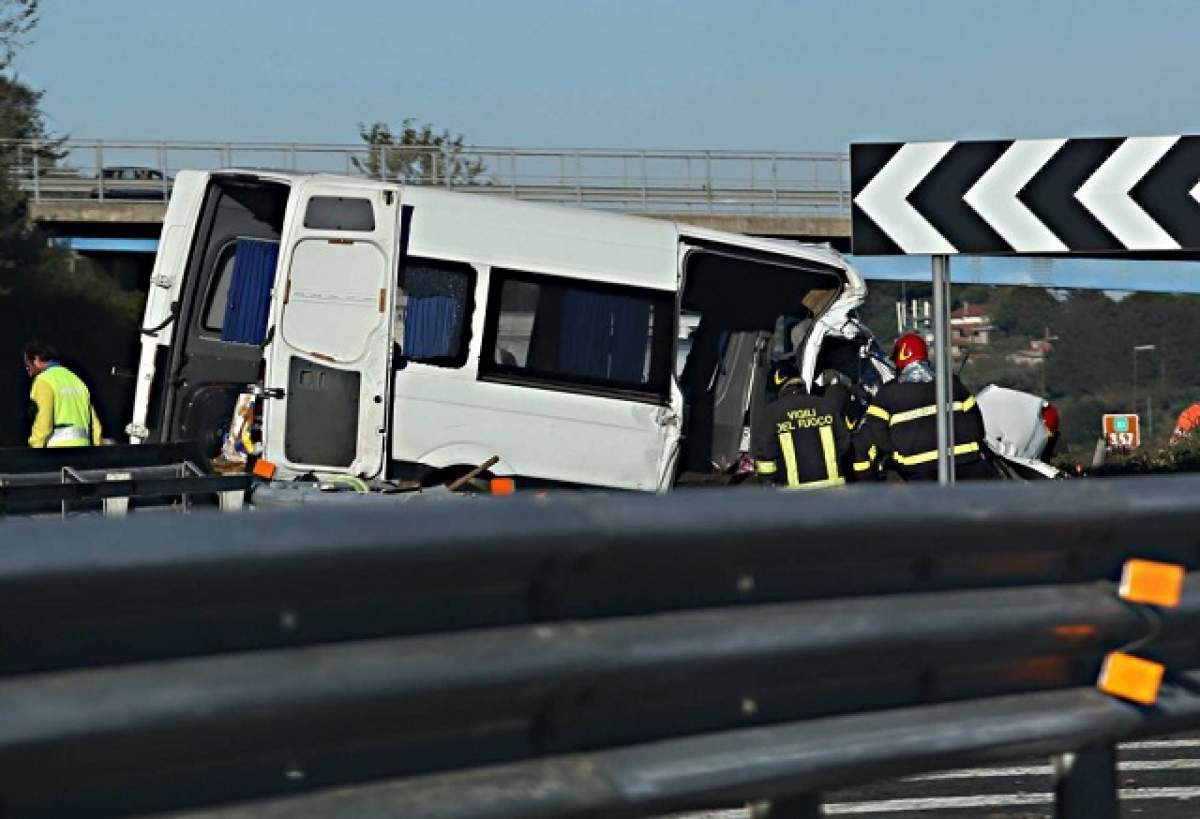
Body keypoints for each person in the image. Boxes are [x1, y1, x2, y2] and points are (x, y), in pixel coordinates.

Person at [853, 332, 990, 481]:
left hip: (916, 470)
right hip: (964, 464)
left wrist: (896, 452)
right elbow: (977, 424)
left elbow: (876, 432)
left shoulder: (887, 394)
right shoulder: (952, 384)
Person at [753, 359, 854, 489]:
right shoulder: (826, 405)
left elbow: (766, 457)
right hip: (834, 492)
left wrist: (769, 482)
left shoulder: (773, 412)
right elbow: (844, 443)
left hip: (796, 496)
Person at [22, 341, 103, 448]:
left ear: (36, 359)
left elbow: (43, 421)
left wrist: (35, 447)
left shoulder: (43, 380)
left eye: (28, 365)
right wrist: (98, 447)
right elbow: (95, 424)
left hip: (56, 452)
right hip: (82, 451)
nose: (28, 371)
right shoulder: (77, 380)